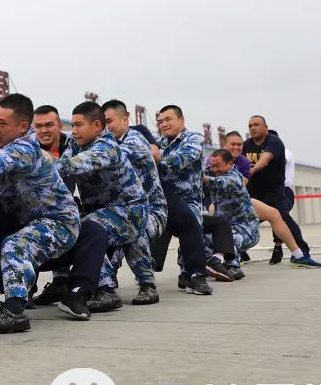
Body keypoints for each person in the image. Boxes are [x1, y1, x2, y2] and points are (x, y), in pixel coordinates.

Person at [0, 93, 81, 333]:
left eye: (3, 124)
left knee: (15, 245)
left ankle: (14, 312)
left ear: (23, 127)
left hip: (58, 223)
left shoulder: (26, 147)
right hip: (21, 221)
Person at [54, 102, 147, 312]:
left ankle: (106, 292)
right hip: (103, 213)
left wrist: (41, 165)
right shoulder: (76, 145)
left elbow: (74, 164)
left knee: (89, 228)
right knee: (72, 222)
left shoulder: (108, 146)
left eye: (78, 125)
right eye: (72, 125)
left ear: (97, 125)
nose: (74, 131)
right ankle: (71, 285)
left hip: (130, 212)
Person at [99, 99, 165, 307]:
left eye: (110, 121)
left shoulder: (134, 142)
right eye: (102, 123)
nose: (106, 127)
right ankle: (103, 285)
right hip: (118, 210)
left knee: (133, 225)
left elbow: (110, 159)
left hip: (151, 211)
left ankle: (147, 285)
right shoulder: (107, 143)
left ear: (125, 119)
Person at [149, 105, 213, 295]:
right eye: (161, 121)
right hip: (162, 200)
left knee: (192, 222)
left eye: (169, 119)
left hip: (187, 199)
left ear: (181, 120)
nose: (164, 124)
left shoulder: (194, 139)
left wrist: (158, 158)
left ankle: (194, 275)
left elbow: (183, 159)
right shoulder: (158, 143)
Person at [243, 118, 321, 268]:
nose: (253, 128)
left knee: (284, 219)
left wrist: (251, 170)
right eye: (250, 126)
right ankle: (235, 254)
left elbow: (265, 159)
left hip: (275, 193)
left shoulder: (274, 142)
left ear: (266, 127)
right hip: (254, 193)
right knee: (245, 222)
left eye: (256, 125)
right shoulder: (246, 145)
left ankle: (301, 254)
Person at [203, 150, 260, 274]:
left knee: (227, 237)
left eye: (217, 166)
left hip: (247, 229)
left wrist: (199, 177)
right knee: (198, 236)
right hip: (223, 228)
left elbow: (218, 183)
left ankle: (233, 268)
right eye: (212, 166)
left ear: (230, 164)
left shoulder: (235, 178)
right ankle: (206, 265)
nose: (214, 169)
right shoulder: (212, 172)